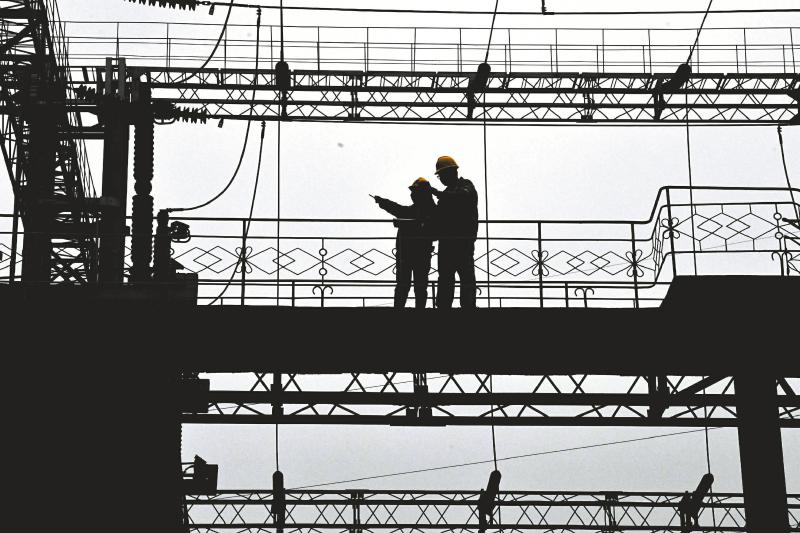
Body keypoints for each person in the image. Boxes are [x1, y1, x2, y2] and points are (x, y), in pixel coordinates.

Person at [373, 178, 437, 308]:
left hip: (410, 254)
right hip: (415, 254)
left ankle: (401, 311)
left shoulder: (429, 211)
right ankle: (417, 311)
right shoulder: (429, 210)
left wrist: (404, 223)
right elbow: (400, 210)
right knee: (416, 286)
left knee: (407, 285)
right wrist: (384, 202)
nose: (413, 195)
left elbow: (400, 211)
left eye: (415, 192)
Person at [429, 156, 478, 309]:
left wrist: (437, 193)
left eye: (442, 175)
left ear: (452, 173)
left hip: (462, 241)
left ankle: (467, 308)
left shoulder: (466, 186)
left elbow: (462, 197)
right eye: (440, 176)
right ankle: (444, 307)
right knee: (446, 278)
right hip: (448, 242)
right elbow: (437, 218)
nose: (441, 179)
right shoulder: (446, 194)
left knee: (465, 278)